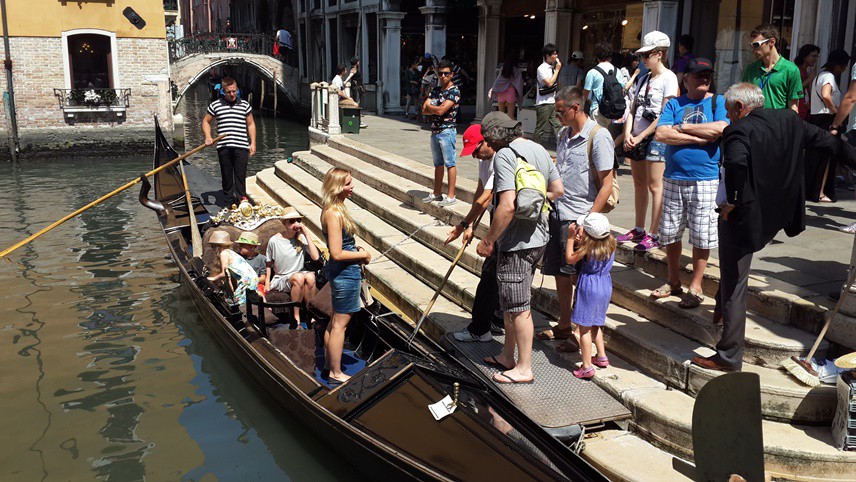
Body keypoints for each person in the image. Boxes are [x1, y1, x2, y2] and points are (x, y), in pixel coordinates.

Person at [691, 83, 856, 372]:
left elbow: (737, 166)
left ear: (741, 107)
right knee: (732, 276)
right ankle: (720, 306)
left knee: (734, 284)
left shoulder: (738, 130)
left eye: (729, 110)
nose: (728, 116)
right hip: (777, 214)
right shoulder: (790, 120)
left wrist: (733, 202)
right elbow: (831, 144)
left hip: (745, 219)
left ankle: (729, 355)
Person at [475, 112, 564, 384]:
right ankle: (507, 356)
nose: (488, 143)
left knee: (519, 307)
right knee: (511, 303)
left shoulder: (504, 156)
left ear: (497, 136)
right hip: (539, 236)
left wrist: (488, 240)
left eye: (488, 138)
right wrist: (536, 198)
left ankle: (524, 368)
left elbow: (507, 205)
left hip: (516, 243)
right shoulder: (538, 149)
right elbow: (558, 190)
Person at [535, 86, 614, 349]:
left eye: (560, 112)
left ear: (575, 108)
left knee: (580, 277)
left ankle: (582, 337)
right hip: (559, 211)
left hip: (581, 217)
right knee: (560, 271)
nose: (557, 116)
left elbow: (606, 184)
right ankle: (565, 325)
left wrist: (587, 221)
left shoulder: (599, 137)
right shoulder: (563, 133)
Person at [652, 58, 729, 308]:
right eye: (699, 75)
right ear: (686, 79)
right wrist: (699, 138)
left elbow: (719, 129)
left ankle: (695, 286)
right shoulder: (674, 102)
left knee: (701, 235)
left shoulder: (717, 102)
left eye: (707, 75)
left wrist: (682, 128)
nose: (704, 80)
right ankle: (673, 281)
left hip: (705, 179)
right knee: (671, 232)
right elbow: (661, 133)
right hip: (674, 177)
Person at [617, 31, 679, 252]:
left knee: (656, 185)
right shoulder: (643, 78)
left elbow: (665, 113)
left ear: (659, 54)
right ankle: (639, 227)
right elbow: (632, 109)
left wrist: (641, 135)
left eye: (647, 55)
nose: (643, 60)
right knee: (639, 184)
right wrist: (628, 133)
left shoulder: (669, 78)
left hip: (656, 137)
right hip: (638, 136)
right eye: (642, 56)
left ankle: (654, 232)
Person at [447, 124, 503, 342]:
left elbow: (486, 198)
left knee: (489, 274)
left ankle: (480, 329)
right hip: (494, 214)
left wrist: (462, 224)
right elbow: (480, 191)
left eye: (475, 150)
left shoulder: (500, 158)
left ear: (486, 141)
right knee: (493, 273)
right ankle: (493, 318)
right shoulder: (484, 160)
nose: (474, 156)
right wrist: (471, 226)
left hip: (505, 218)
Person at [320, 168, 372, 384]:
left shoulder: (335, 208)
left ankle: (327, 364)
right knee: (340, 325)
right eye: (349, 183)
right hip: (345, 274)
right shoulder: (333, 212)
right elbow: (337, 253)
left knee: (335, 321)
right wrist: (363, 254)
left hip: (342, 272)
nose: (353, 187)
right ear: (338, 186)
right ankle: (335, 372)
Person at [564, 213, 616, 379]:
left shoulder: (587, 248)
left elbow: (570, 259)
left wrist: (571, 239)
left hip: (590, 286)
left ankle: (586, 366)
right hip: (605, 284)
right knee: (597, 322)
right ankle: (601, 356)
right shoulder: (612, 243)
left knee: (584, 328)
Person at [202, 77, 256, 206]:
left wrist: (253, 142)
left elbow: (251, 124)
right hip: (224, 146)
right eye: (228, 92)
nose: (232, 94)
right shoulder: (215, 105)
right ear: (223, 91)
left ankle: (241, 202)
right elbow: (206, 121)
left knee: (240, 176)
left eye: (234, 91)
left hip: (241, 145)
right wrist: (208, 136)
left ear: (237, 90)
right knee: (226, 176)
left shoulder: (245, 105)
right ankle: (228, 203)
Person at [805, 49, 850, 203]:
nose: (844, 69)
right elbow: (826, 95)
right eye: (843, 65)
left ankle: (814, 190)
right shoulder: (829, 76)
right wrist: (836, 113)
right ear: (838, 65)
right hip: (826, 119)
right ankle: (820, 192)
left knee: (816, 156)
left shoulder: (819, 76)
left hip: (816, 117)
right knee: (826, 157)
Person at [266, 211, 321, 328]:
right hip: (281, 277)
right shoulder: (274, 241)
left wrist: (306, 234)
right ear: (284, 223)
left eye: (298, 221)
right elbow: (269, 263)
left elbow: (316, 257)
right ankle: (296, 317)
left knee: (310, 277)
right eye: (292, 221)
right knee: (299, 277)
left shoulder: (301, 238)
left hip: (299, 273)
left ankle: (311, 314)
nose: (296, 224)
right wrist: (266, 283)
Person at [422, 59, 461, 207]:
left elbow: (440, 110)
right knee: (438, 163)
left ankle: (451, 196)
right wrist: (434, 108)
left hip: (447, 130)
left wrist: (434, 107)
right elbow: (424, 109)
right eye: (440, 74)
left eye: (446, 73)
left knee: (450, 163)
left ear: (451, 74)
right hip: (435, 130)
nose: (443, 76)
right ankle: (437, 192)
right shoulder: (437, 90)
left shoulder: (454, 91)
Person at [742, 24, 803, 113]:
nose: (753, 49)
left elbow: (793, 107)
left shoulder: (791, 70)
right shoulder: (751, 69)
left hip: (777, 124)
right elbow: (743, 98)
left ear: (772, 42)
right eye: (752, 45)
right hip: (754, 123)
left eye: (756, 45)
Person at [206, 230, 259, 305]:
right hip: (252, 278)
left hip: (246, 280)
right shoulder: (230, 252)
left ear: (216, 246)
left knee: (240, 302)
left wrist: (213, 278)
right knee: (248, 301)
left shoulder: (223, 254)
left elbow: (225, 273)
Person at [534, 43, 562, 145]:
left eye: (556, 54)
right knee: (540, 129)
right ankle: (536, 149)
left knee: (557, 125)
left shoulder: (552, 68)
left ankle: (561, 146)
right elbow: (549, 83)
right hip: (543, 103)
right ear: (547, 55)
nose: (556, 56)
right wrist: (558, 70)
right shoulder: (541, 68)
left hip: (552, 101)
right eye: (554, 54)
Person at [583, 41, 616, 127]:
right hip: (613, 111)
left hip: (597, 109)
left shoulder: (592, 72)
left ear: (596, 55)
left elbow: (586, 92)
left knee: (595, 136)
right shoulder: (617, 71)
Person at [489, 51, 524, 120]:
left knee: (501, 116)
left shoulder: (503, 70)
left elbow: (497, 82)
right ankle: (512, 130)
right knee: (511, 116)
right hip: (511, 93)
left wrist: (493, 90)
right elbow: (519, 85)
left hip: (501, 94)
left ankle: (502, 130)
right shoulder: (517, 71)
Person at [235, 231, 268, 296]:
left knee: (259, 294)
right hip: (240, 284)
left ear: (252, 247)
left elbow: (263, 278)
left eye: (242, 245)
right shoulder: (237, 257)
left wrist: (249, 281)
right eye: (239, 245)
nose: (239, 247)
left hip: (256, 284)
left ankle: (265, 305)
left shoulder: (261, 259)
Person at [794, 44, 821, 119]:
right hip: (797, 111)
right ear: (804, 56)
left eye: (817, 56)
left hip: (804, 111)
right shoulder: (796, 71)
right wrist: (809, 79)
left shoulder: (805, 72)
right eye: (813, 56)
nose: (815, 59)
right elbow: (795, 90)